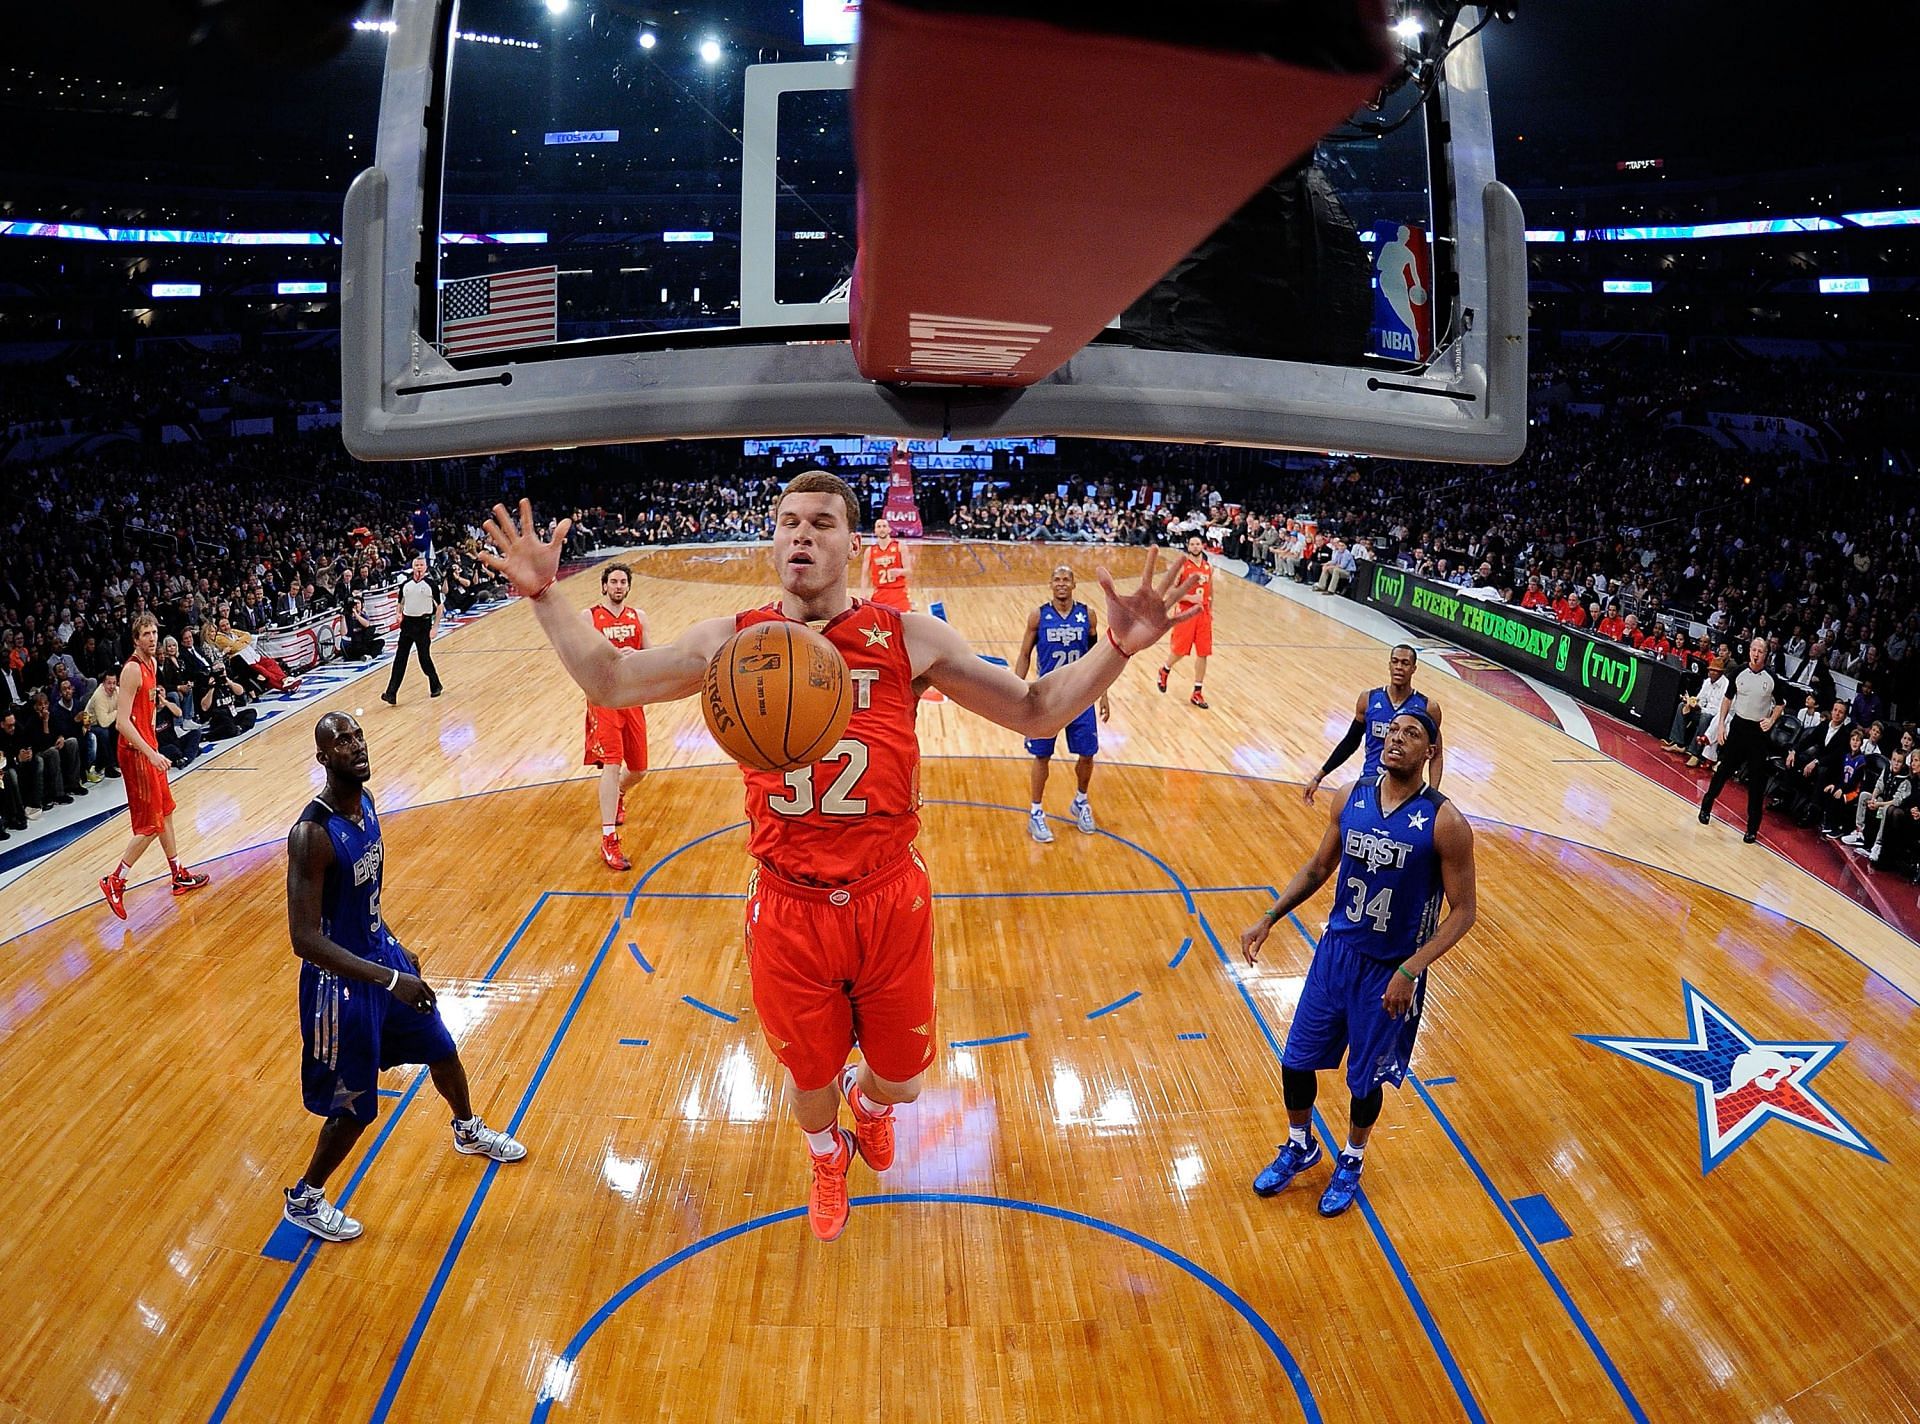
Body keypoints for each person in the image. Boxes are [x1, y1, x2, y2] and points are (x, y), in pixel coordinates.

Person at [479, 476, 1194, 1242]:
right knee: (808, 1082)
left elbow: (1034, 707)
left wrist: (1116, 647)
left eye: (821, 523)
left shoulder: (908, 637)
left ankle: (874, 1107)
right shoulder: (733, 640)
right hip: (789, 904)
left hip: (889, 894)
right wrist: (546, 595)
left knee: (906, 1082)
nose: (801, 535)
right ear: (772, 541)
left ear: (855, 544)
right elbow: (611, 679)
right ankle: (827, 1155)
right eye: (787, 523)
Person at [281, 713, 525, 1242]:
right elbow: (305, 940)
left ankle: (466, 1128)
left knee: (441, 1045)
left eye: (358, 736)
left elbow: (362, 900)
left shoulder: (366, 806)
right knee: (354, 1107)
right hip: (338, 988)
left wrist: (393, 944)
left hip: (379, 959)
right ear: (323, 758)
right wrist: (390, 980)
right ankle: (306, 1197)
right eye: (341, 741)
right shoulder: (311, 835)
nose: (356, 746)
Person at [1240, 710, 1476, 1215]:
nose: (1397, 739)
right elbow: (1320, 866)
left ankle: (1352, 1158)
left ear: (1429, 752)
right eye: (1393, 731)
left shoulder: (1446, 822)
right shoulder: (1351, 795)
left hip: (1391, 970)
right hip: (1336, 954)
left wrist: (1411, 969)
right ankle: (1301, 1145)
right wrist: (1269, 917)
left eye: (1412, 734)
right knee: (1295, 1061)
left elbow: (1464, 912)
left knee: (1364, 1080)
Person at [99, 612, 210, 920]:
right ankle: (115, 880)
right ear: (136, 640)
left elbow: (146, 711)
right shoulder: (132, 670)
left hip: (148, 746)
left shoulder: (154, 664)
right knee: (152, 823)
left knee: (167, 810)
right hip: (135, 753)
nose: (151, 637)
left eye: (153, 632)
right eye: (145, 634)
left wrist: (154, 740)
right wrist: (149, 752)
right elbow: (122, 723)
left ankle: (177, 873)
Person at [1013, 565, 1111, 843]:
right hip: (1048, 696)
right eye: (1057, 579)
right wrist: (1014, 691)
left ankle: (1081, 801)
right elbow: (1024, 654)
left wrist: (1103, 693)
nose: (1061, 583)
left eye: (1066, 579)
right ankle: (1035, 812)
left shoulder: (1087, 615)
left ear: (1074, 584)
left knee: (1088, 752)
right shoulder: (1038, 616)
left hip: (1080, 695)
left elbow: (1098, 657)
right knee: (1042, 755)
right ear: (1050, 584)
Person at [1303, 644, 1446, 804]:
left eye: (1405, 663)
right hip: (1370, 784)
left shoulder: (1428, 707)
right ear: (1389, 665)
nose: (1399, 667)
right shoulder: (1368, 699)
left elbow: (1436, 754)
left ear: (1414, 668)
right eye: (1395, 661)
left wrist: (1433, 797)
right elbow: (1350, 742)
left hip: (1406, 791)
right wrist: (1319, 777)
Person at [583, 562, 650, 871]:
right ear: (604, 586)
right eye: (614, 581)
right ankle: (608, 838)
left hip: (632, 698)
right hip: (605, 699)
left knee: (639, 770)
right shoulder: (590, 617)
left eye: (623, 581)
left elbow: (650, 654)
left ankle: (620, 793)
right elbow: (581, 657)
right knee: (612, 762)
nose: (619, 586)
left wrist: (640, 657)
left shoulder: (640, 617)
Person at [1698, 636, 1785, 844]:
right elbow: (1727, 699)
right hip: (1738, 727)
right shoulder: (1739, 673)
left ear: (1765, 654)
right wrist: (1720, 725)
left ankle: (1752, 829)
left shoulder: (1772, 678)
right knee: (1723, 771)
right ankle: (1706, 807)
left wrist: (1771, 720)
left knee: (1756, 783)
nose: (1756, 654)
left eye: (1760, 651)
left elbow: (1781, 704)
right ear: (1749, 652)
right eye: (1753, 650)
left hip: (1758, 733)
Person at [1156, 535, 1216, 709]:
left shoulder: (1207, 566)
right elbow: (1171, 591)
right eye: (1192, 544)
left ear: (1202, 546)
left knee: (1203, 652)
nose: (1195, 546)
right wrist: (1190, 597)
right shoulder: (1182, 567)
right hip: (1185, 613)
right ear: (1188, 546)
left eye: (1198, 544)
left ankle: (1197, 691)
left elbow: (1210, 590)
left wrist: (1210, 609)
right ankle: (1165, 669)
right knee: (1180, 650)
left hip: (1203, 614)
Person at [382, 555, 444, 704]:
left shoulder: (431, 584)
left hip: (423, 625)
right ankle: (391, 693)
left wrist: (435, 627)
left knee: (424, 658)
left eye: (421, 565)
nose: (418, 568)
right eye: (416, 565)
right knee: (400, 659)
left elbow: (439, 606)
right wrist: (398, 614)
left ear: (426, 567)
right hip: (407, 624)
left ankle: (435, 684)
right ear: (412, 567)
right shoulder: (406, 585)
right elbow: (400, 603)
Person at [864, 517, 911, 611]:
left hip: (898, 593)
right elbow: (864, 575)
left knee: (903, 622)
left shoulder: (900, 546)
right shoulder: (870, 551)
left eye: (884, 526)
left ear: (889, 529)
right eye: (879, 527)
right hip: (879, 594)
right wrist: (863, 594)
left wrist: (900, 571)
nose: (882, 529)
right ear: (875, 531)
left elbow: (909, 571)